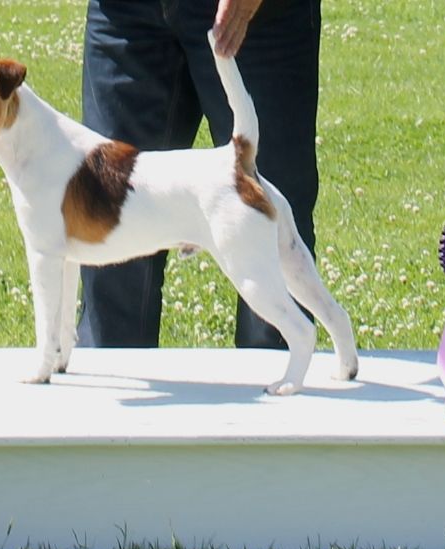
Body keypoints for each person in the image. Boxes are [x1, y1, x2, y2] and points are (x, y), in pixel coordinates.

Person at [76, 0, 322, 349]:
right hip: (123, 15)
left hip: (257, 18)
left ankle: (287, 390)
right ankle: (106, 398)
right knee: (108, 228)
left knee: (267, 231)